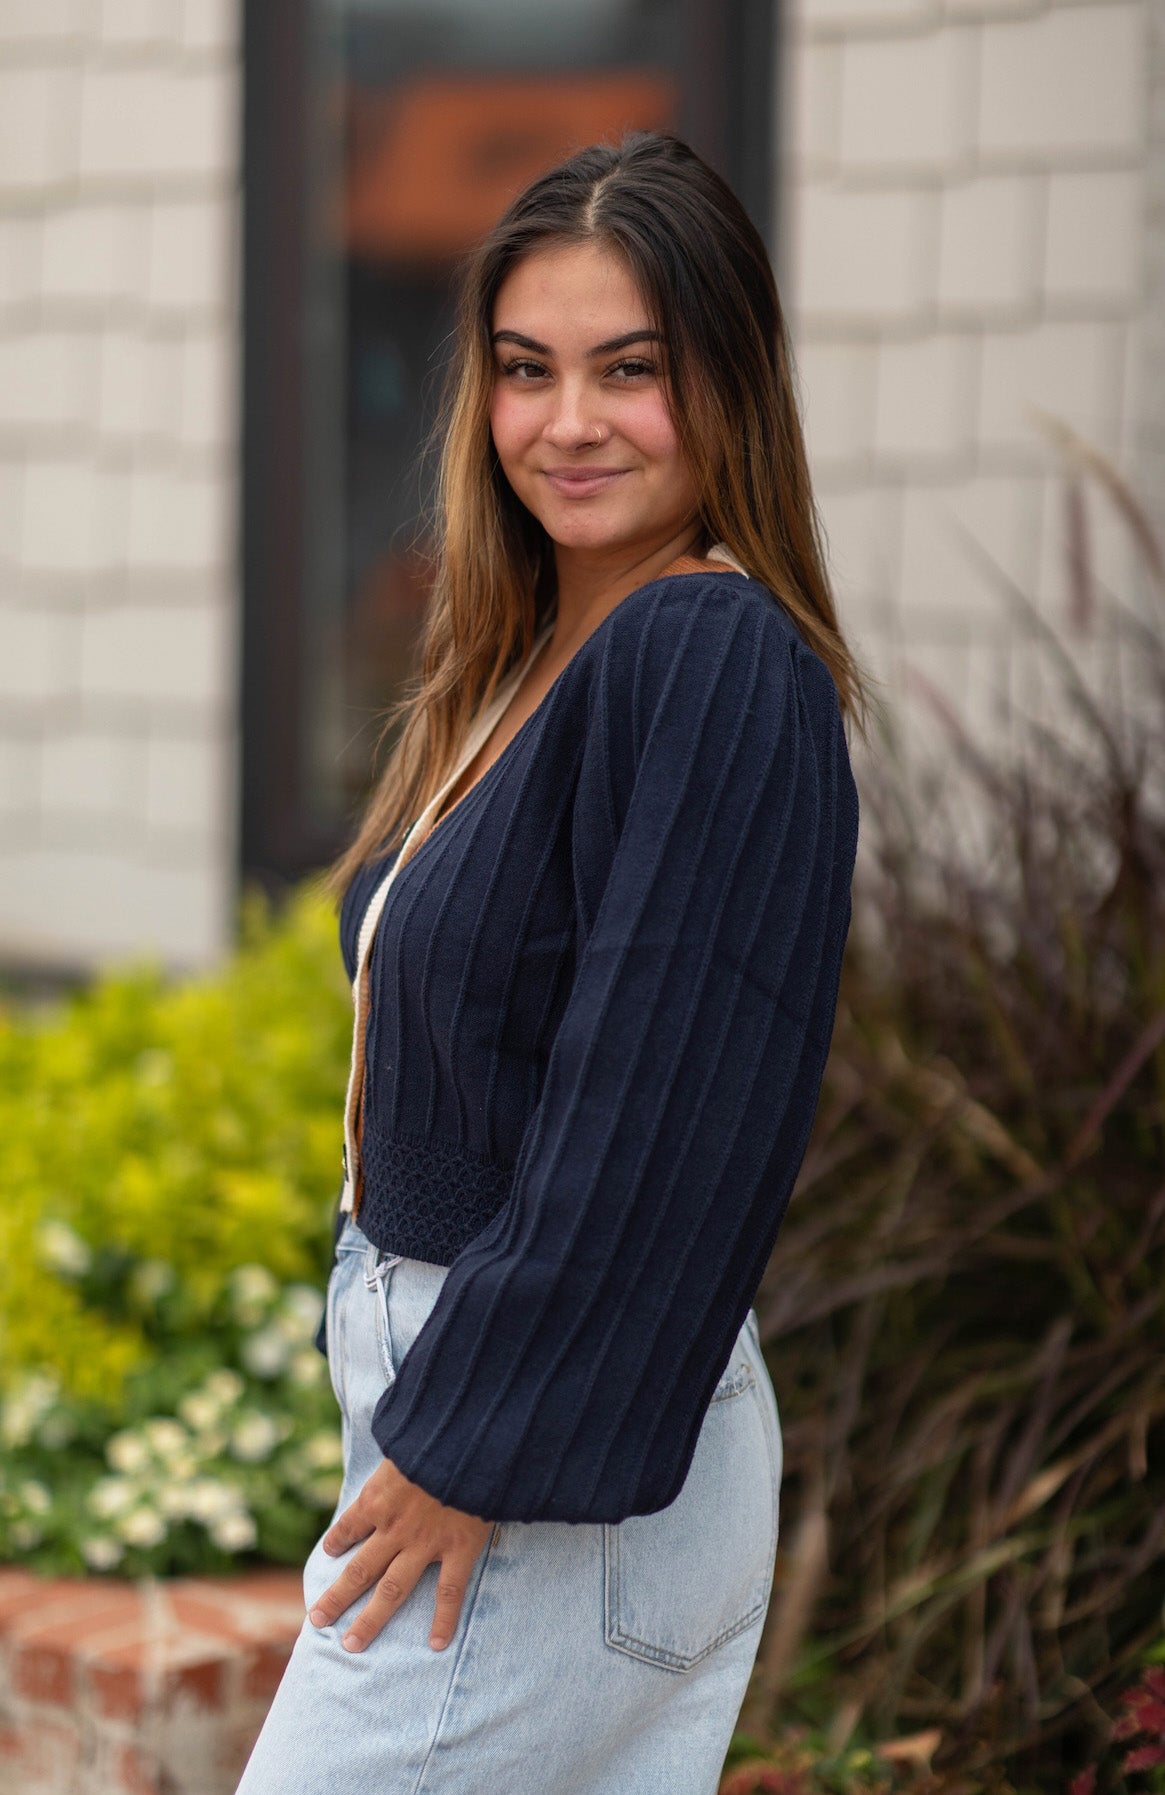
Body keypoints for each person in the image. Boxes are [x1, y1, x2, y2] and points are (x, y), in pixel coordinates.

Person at [235, 130, 862, 1795]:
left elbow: (662, 1103)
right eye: (525, 370)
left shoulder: (706, 647)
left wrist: (471, 1448)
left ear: (726, 383)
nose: (566, 422)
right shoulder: (531, 662)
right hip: (490, 1423)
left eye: (628, 370)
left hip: (539, 1466)